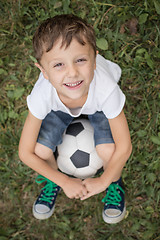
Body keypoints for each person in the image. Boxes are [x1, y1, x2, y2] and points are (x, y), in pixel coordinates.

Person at [19, 14, 132, 224]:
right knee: (41, 151)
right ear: (43, 72)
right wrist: (62, 180)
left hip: (97, 106)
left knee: (109, 151)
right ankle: (51, 181)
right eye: (58, 65)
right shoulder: (43, 95)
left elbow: (125, 146)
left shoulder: (106, 90)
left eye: (81, 60)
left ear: (95, 60)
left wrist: (103, 180)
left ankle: (115, 184)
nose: (72, 73)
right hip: (58, 108)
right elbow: (25, 152)